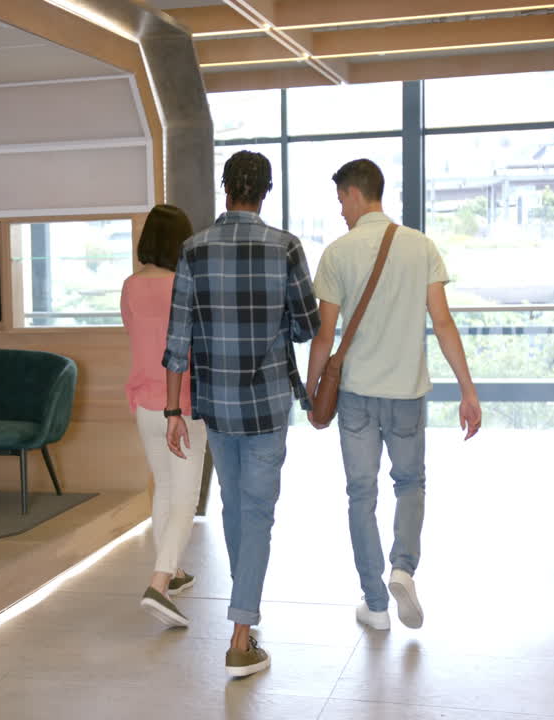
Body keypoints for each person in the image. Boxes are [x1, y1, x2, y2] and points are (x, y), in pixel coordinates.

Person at [162, 150, 320, 678]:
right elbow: (307, 325)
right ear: (266, 191)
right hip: (268, 402)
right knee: (257, 513)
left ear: (224, 187)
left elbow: (177, 337)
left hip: (214, 405)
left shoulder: (193, 249)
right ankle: (239, 634)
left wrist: (171, 410)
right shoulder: (286, 248)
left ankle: (244, 616)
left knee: (236, 508)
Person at [306, 158, 481, 632]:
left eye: (341, 198)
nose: (341, 209)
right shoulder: (421, 247)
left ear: (356, 194)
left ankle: (375, 604)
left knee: (361, 494)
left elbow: (324, 336)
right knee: (409, 483)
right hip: (407, 392)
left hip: (358, 395)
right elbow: (442, 322)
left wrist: (311, 388)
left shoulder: (338, 253)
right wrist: (468, 390)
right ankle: (403, 568)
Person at [121, 204, 206, 628]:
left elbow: (133, 333)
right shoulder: (186, 284)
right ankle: (158, 584)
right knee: (185, 497)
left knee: (165, 490)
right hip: (183, 404)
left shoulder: (131, 286)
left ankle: (172, 572)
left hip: (144, 405)